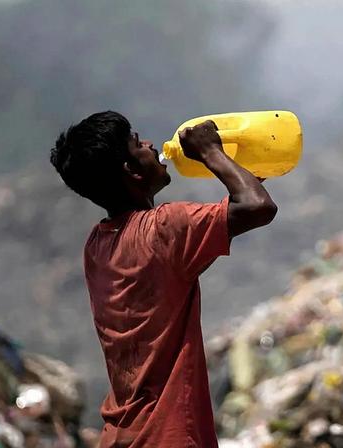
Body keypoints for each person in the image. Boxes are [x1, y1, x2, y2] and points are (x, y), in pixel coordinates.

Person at [49, 111, 276, 447]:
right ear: (132, 169)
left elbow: (185, 260)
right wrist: (211, 152)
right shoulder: (166, 227)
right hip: (169, 434)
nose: (151, 144)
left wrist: (242, 172)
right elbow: (258, 206)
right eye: (137, 143)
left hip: (121, 435)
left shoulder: (97, 245)